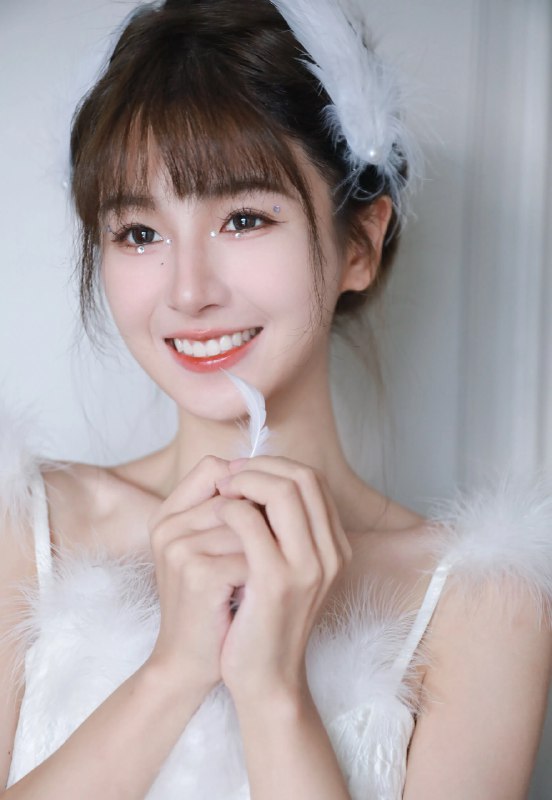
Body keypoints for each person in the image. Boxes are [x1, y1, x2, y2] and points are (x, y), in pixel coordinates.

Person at [1, 1, 551, 798]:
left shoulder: (482, 606)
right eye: (140, 233)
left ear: (359, 243)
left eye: (244, 219)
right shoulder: (26, 532)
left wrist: (272, 693)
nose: (188, 292)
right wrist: (172, 671)